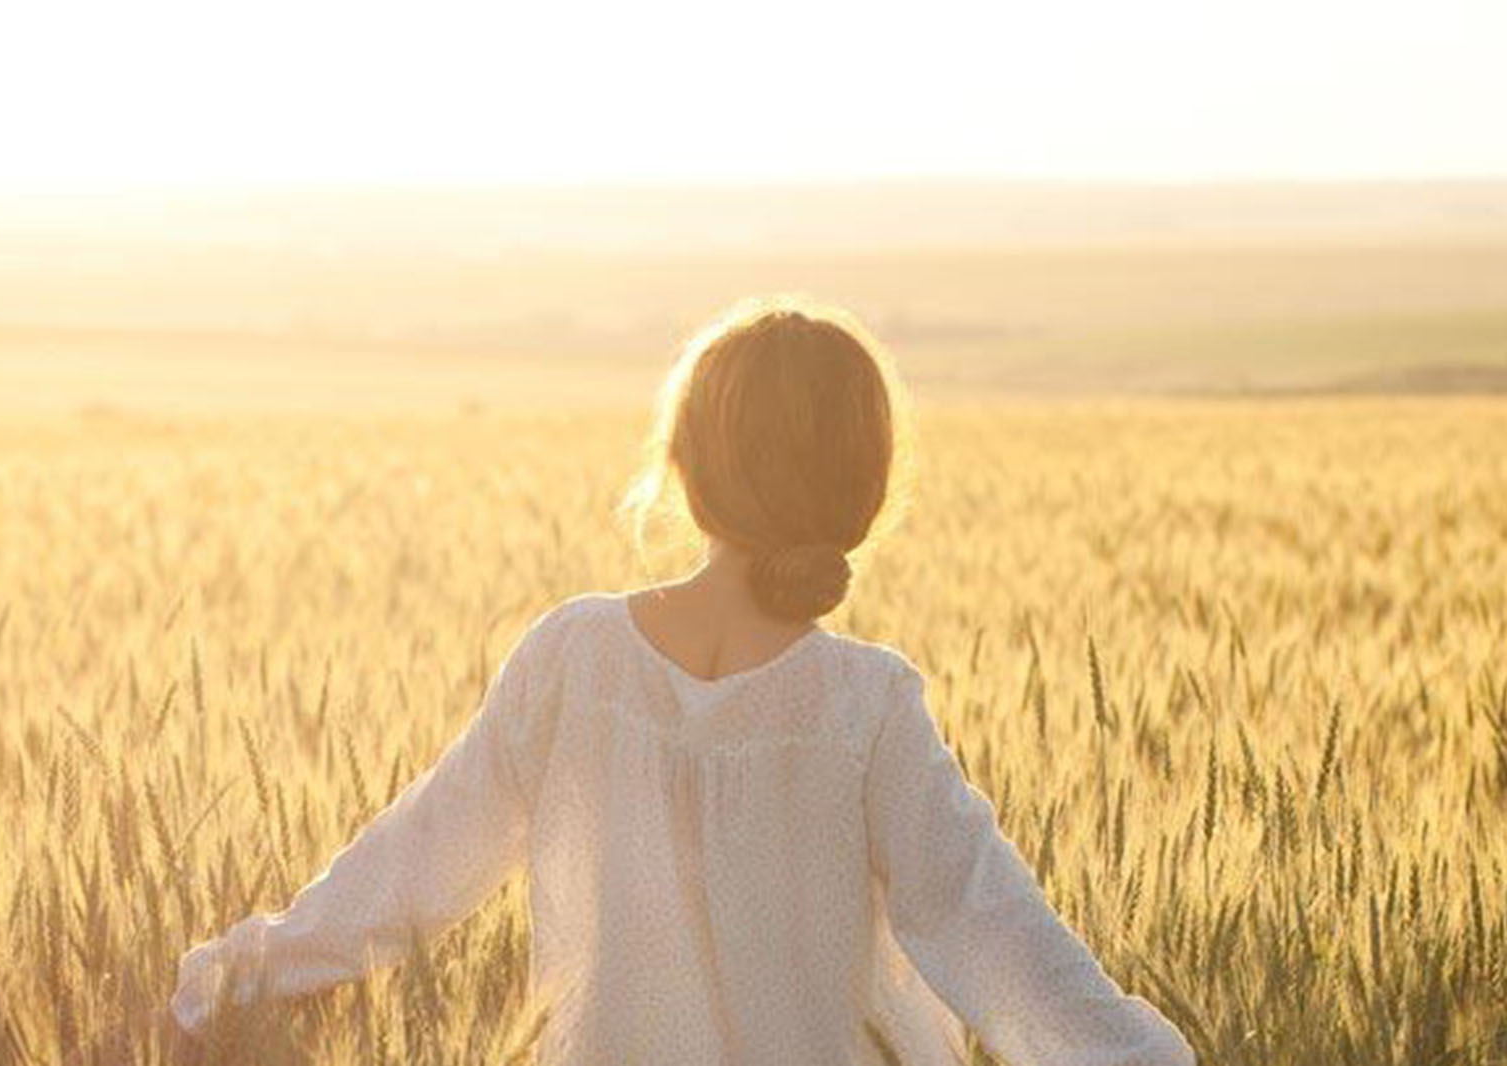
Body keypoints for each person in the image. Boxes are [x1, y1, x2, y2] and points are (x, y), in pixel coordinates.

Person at [147, 297, 1197, 1065]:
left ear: (684, 469)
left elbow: (416, 859)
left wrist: (235, 980)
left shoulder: (576, 657)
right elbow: (987, 924)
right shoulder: (863, 705)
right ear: (863, 489)